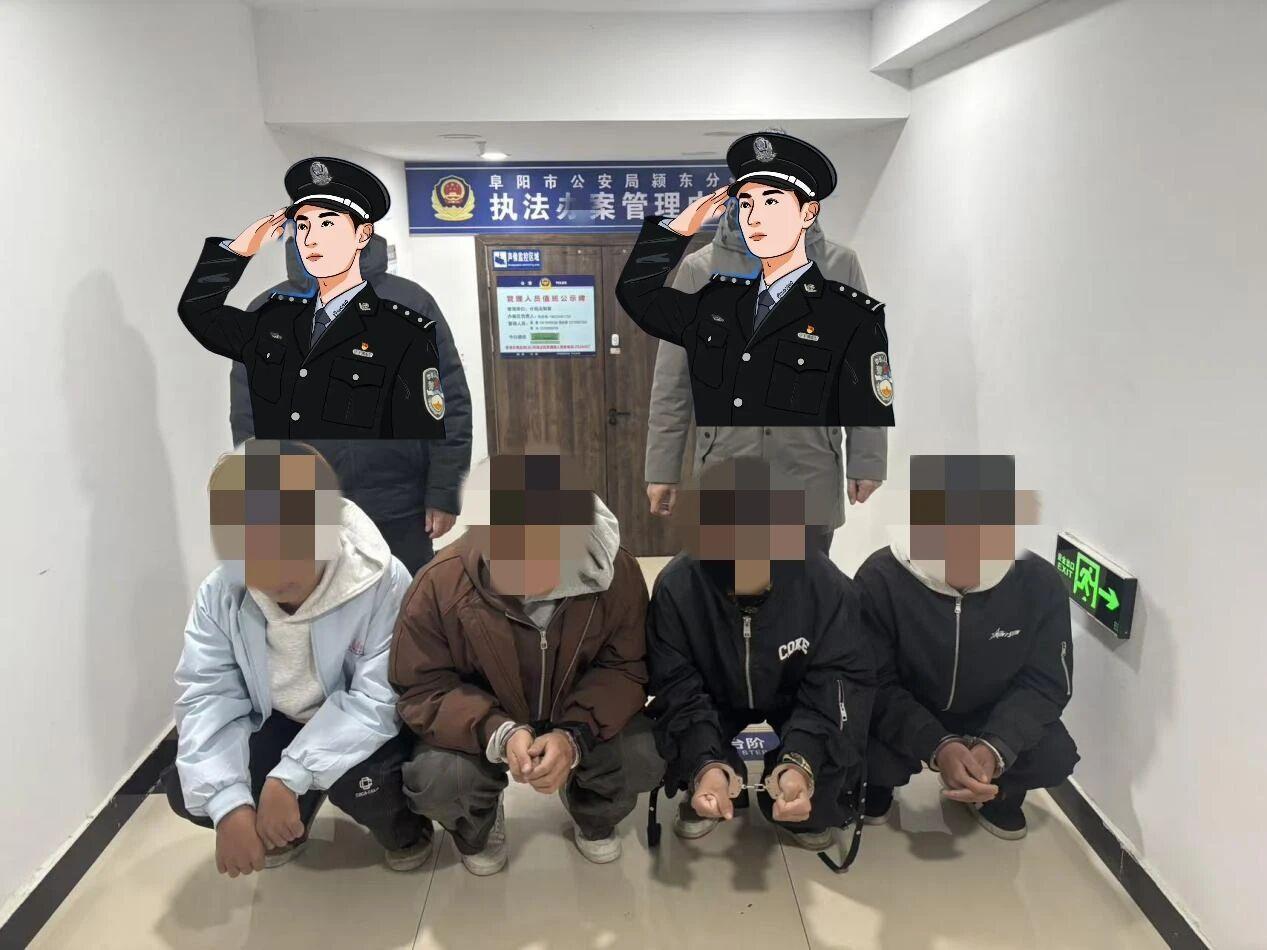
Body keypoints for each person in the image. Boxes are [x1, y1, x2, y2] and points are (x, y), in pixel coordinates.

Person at [162, 440, 432, 876]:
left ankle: (405, 831)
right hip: (278, 717)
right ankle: (288, 824)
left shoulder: (381, 578)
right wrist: (229, 804)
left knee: (370, 786)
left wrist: (291, 774)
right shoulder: (219, 594)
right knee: (192, 790)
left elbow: (379, 696)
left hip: (356, 720)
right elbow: (207, 694)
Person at [390, 451, 663, 875]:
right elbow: (422, 687)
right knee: (439, 778)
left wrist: (574, 737)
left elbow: (627, 667)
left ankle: (592, 810)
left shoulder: (616, 573)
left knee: (644, 753)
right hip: (486, 716)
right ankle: (479, 823)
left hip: (577, 707)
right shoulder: (439, 583)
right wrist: (496, 731)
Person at [642, 153, 887, 553]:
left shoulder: (839, 266)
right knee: (727, 587)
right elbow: (673, 383)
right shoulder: (699, 271)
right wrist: (662, 469)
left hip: (809, 471)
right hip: (726, 470)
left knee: (808, 587)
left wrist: (867, 460)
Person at [646, 457, 875, 851]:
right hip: (714, 693)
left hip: (794, 694)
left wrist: (800, 765)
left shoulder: (829, 589)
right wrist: (706, 764)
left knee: (824, 785)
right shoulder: (676, 588)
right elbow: (676, 686)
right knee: (678, 748)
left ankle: (791, 783)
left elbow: (838, 683)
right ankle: (715, 775)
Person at [855, 454, 1079, 840]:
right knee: (860, 743)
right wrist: (937, 744)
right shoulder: (880, 579)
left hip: (989, 712)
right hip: (910, 705)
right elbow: (873, 681)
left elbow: (1045, 684)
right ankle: (878, 786)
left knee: (1054, 754)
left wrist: (996, 747)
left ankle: (994, 792)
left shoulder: (1040, 584)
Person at [229, 230, 473, 575]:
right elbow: (250, 418)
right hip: (308, 510)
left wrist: (444, 492)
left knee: (407, 606)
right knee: (322, 607)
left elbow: (447, 402)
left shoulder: (410, 303)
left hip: (401, 507)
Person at [615, 131, 895, 428]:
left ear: (808, 212)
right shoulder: (714, 298)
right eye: (746, 204)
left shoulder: (847, 292)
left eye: (771, 201)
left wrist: (866, 458)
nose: (753, 218)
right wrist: (679, 228)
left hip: (807, 457)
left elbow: (866, 405)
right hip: (724, 455)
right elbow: (669, 375)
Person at [178, 156, 446, 439]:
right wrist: (238, 250)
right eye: (303, 226)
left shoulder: (404, 332)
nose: (310, 239)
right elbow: (199, 313)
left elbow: (422, 443)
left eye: (327, 224)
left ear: (362, 234)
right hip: (276, 469)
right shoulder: (272, 319)